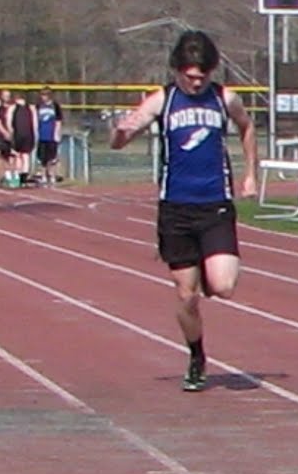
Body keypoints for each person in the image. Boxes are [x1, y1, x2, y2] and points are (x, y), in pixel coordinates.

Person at [110, 31, 259, 392]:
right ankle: (196, 357)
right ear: (177, 70)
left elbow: (247, 125)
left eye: (202, 76)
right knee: (185, 295)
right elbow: (121, 139)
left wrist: (251, 173)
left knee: (223, 286)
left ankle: (210, 267)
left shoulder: (225, 98)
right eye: (189, 76)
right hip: (176, 208)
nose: (196, 83)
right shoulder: (163, 99)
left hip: (215, 203)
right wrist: (119, 132)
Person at [34, 86, 65, 185]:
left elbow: (58, 120)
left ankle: (51, 175)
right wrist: (36, 132)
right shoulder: (38, 106)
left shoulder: (55, 106)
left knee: (52, 157)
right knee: (42, 157)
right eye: (42, 95)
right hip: (42, 134)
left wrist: (57, 133)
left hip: (52, 134)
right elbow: (35, 120)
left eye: (46, 95)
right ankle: (43, 175)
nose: (44, 97)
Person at [6, 92, 36, 186]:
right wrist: (35, 134)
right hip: (28, 134)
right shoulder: (31, 108)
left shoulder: (13, 108)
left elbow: (9, 122)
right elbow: (35, 124)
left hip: (18, 134)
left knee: (18, 155)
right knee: (25, 155)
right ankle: (24, 176)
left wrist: (11, 133)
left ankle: (20, 176)